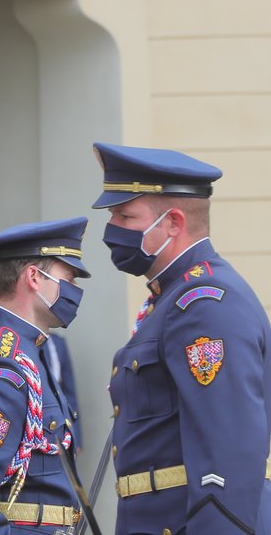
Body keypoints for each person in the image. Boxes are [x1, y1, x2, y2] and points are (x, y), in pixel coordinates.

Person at [92, 142, 271, 534]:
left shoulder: (205, 304)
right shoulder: (170, 300)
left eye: (125, 216)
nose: (112, 231)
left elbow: (228, 450)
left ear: (172, 222)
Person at [0, 217, 90, 534]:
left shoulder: (30, 350)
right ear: (33, 277)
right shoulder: (6, 367)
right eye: (69, 278)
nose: (76, 291)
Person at [45, 333, 82, 450]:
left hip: (61, 411)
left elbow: (70, 392)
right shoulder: (30, 340)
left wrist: (78, 437)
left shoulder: (58, 342)